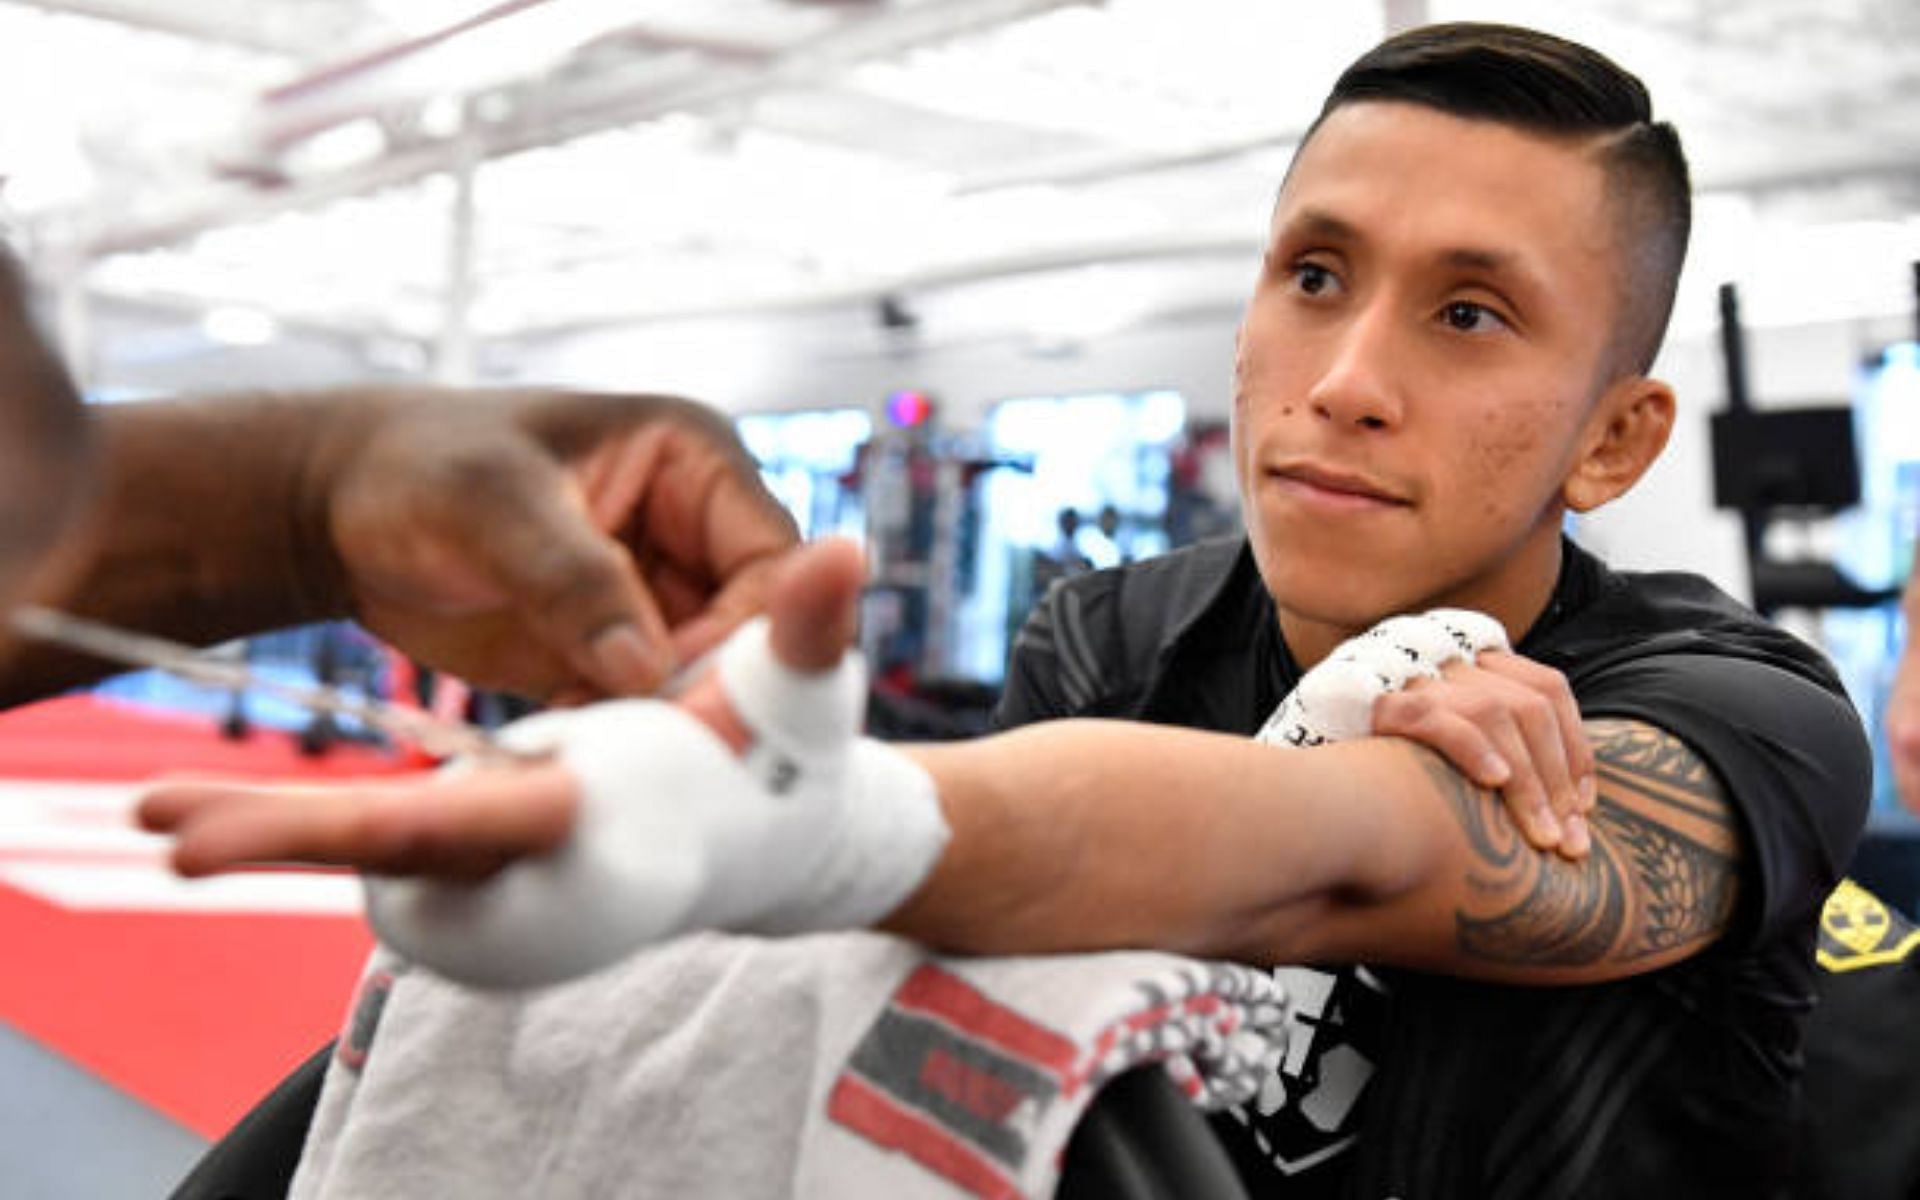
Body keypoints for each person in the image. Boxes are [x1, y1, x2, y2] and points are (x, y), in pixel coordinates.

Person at [142, 23, 1872, 1198]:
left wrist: (814, 836)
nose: (1342, 379)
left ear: (1618, 438)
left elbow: (1346, 850)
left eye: (1472, 316)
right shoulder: (1118, 637)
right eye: (1316, 275)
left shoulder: (1740, 710)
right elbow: (1032, 913)